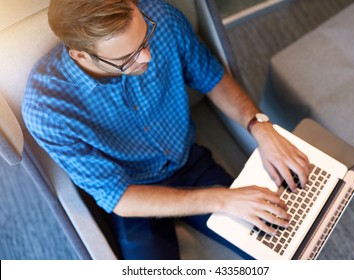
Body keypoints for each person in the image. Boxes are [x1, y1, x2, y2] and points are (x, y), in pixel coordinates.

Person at [22, 0, 310, 259]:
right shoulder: (46, 108)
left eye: (145, 36)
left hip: (189, 160)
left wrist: (259, 126)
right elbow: (118, 197)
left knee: (276, 245)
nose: (147, 56)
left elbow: (211, 77)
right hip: (134, 191)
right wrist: (223, 199)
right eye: (128, 57)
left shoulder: (161, 17)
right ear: (81, 56)